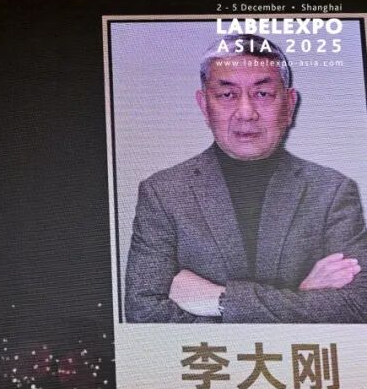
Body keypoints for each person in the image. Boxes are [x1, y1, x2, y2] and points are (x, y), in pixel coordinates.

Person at [124, 34, 367, 323]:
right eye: (227, 95)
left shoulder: (332, 191)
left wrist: (221, 300)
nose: (246, 113)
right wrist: (300, 295)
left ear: (289, 104)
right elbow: (145, 311)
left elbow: (357, 306)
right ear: (204, 105)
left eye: (263, 94)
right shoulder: (163, 193)